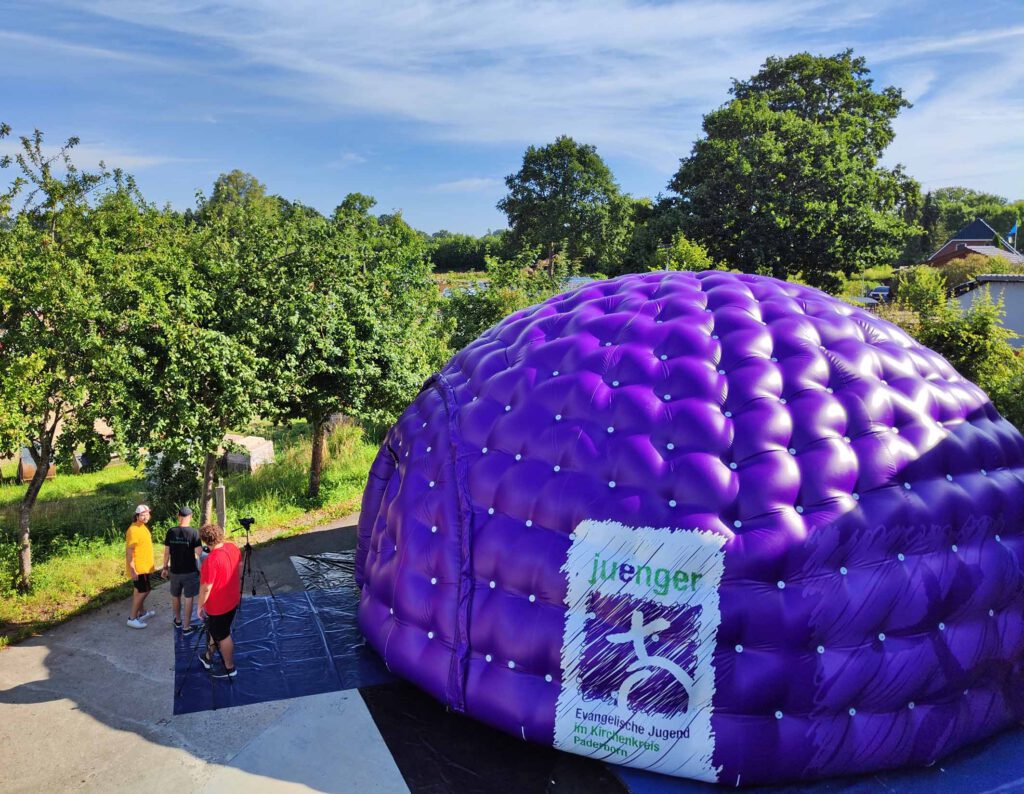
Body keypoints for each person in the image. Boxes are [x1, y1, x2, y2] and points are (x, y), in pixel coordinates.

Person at [197, 523, 241, 678]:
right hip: (232, 598)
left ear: (205, 542)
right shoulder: (233, 547)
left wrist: (200, 605)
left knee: (223, 635)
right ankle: (208, 658)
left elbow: (206, 588)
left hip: (219, 606)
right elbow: (238, 565)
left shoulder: (211, 561)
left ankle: (229, 668)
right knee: (213, 630)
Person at [160, 506, 202, 634]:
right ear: (190, 517)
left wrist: (165, 568)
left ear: (178, 516)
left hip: (175, 571)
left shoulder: (171, 531)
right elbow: (199, 552)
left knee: (175, 596)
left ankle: (178, 620)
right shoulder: (194, 532)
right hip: (190, 571)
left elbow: (166, 552)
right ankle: (186, 627)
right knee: (188, 598)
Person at [125, 505, 156, 629]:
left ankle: (142, 612)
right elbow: (129, 552)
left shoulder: (142, 527)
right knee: (144, 590)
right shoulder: (133, 530)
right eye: (142, 515)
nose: (145, 517)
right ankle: (132, 618)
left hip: (146, 566)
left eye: (147, 514)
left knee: (139, 591)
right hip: (139, 568)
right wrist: (133, 570)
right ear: (136, 516)